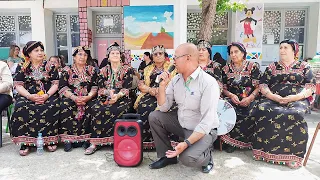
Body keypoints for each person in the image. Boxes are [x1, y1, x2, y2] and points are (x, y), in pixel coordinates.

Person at [148, 43, 220, 173]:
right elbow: (163, 108)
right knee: (155, 117)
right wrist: (162, 87)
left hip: (203, 130)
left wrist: (186, 144)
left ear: (188, 58)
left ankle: (207, 155)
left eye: (176, 57)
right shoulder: (176, 80)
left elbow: (206, 122)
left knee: (187, 159)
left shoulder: (208, 83)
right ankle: (167, 156)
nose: (173, 60)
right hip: (183, 125)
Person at [251, 39, 316, 169]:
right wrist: (272, 96)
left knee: (295, 114)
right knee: (262, 109)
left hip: (297, 99)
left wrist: (296, 97)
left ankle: (293, 155)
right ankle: (263, 152)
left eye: (286, 48)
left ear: (294, 50)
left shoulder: (304, 67)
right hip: (273, 99)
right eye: (280, 48)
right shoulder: (272, 67)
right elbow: (263, 84)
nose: (282, 50)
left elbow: (311, 86)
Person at [11, 41, 60, 156]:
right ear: (29, 53)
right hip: (27, 95)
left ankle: (49, 140)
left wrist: (46, 95)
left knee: (52, 105)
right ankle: (26, 143)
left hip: (47, 95)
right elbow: (18, 85)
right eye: (36, 50)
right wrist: (29, 96)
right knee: (21, 106)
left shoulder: (50, 66)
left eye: (41, 50)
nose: (40, 53)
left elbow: (55, 84)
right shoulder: (22, 66)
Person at [85, 43, 134, 155]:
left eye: (117, 53)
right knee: (97, 109)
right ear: (108, 56)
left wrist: (117, 96)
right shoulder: (102, 71)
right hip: (106, 96)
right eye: (113, 53)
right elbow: (100, 89)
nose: (115, 55)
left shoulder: (127, 70)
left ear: (121, 56)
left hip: (122, 97)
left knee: (118, 109)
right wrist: (108, 92)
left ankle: (118, 141)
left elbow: (127, 88)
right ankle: (95, 143)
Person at [220, 42, 261, 153]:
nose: (233, 55)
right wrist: (231, 95)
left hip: (250, 98)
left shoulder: (253, 66)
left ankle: (248, 142)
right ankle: (231, 142)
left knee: (253, 110)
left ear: (243, 53)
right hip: (233, 98)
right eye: (231, 52)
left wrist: (250, 98)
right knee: (227, 109)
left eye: (236, 51)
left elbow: (258, 87)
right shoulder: (225, 69)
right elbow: (223, 88)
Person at [134, 45, 177, 148]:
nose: (158, 56)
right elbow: (141, 85)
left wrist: (161, 90)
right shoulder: (147, 69)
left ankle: (169, 141)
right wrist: (151, 90)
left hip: (167, 94)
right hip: (150, 94)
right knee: (144, 106)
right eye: (155, 54)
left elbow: (174, 83)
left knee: (167, 108)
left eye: (160, 53)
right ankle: (147, 141)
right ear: (152, 56)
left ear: (164, 55)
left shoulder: (172, 68)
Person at [59, 46, 98, 152]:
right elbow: (62, 86)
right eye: (80, 54)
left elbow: (95, 86)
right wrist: (74, 97)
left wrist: (89, 96)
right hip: (71, 97)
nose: (83, 57)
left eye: (85, 55)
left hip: (87, 97)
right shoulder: (67, 70)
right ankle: (68, 140)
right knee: (65, 106)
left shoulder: (92, 70)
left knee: (93, 106)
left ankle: (87, 139)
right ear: (74, 57)